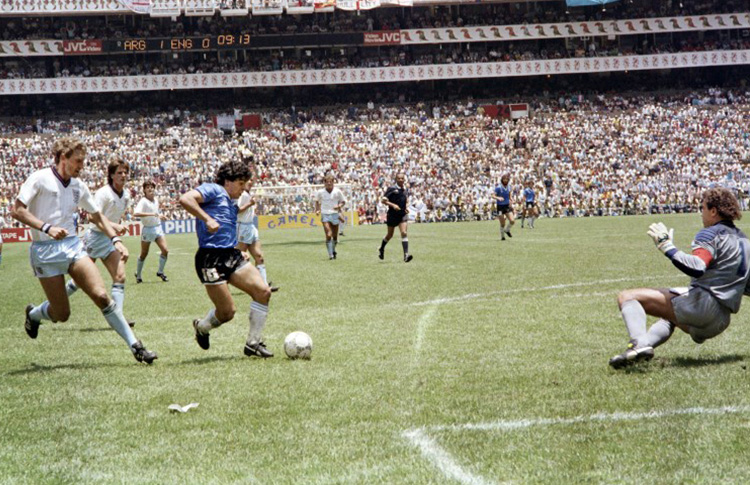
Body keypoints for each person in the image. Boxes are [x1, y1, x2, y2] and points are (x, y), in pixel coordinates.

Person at [11, 137, 157, 364]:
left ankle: (136, 346)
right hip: (44, 250)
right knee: (62, 314)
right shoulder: (39, 179)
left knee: (101, 296)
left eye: (83, 161)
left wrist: (115, 239)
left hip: (72, 246)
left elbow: (97, 215)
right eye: (78, 161)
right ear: (63, 158)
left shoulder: (79, 186)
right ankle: (33, 314)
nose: (82, 166)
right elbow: (17, 210)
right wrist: (46, 227)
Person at [609, 187, 750, 369]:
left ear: (713, 211)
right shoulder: (744, 240)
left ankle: (638, 344)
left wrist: (667, 246)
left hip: (703, 308)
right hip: (721, 321)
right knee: (669, 317)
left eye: (703, 208)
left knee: (627, 297)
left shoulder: (710, 233)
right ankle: (640, 350)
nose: (701, 214)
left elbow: (697, 267)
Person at [179, 159, 274, 358]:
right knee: (227, 313)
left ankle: (253, 343)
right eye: (240, 184)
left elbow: (227, 227)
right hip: (209, 259)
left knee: (263, 291)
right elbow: (185, 199)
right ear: (228, 181)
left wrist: (237, 249)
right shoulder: (213, 189)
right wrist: (207, 219)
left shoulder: (231, 202)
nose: (243, 188)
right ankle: (202, 327)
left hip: (231, 255)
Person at [66, 158, 135, 327]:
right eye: (119, 172)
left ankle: (117, 318)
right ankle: (46, 306)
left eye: (125, 172)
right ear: (111, 175)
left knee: (120, 276)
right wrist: (115, 226)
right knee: (79, 281)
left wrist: (114, 230)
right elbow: (91, 217)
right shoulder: (104, 193)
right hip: (95, 238)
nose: (123, 175)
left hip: (108, 238)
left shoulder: (126, 195)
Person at [236, 176, 279, 292]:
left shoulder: (247, 194)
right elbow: (236, 210)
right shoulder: (242, 194)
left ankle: (264, 285)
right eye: (248, 180)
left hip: (251, 226)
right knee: (240, 258)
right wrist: (250, 204)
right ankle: (226, 279)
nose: (250, 182)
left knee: (259, 256)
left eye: (251, 180)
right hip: (243, 227)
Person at [133, 180, 169, 283]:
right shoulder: (143, 201)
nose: (150, 189)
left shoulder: (156, 200)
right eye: (148, 187)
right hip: (147, 230)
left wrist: (160, 216)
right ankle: (138, 275)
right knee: (144, 254)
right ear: (144, 190)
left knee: (165, 250)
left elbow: (156, 213)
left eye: (152, 187)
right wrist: (152, 214)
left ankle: (160, 272)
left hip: (157, 228)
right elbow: (136, 213)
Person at [378, 172, 413, 263]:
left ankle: (406, 255)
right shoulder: (392, 189)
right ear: (396, 180)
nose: (401, 180)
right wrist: (393, 205)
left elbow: (404, 200)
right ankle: (381, 249)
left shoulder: (405, 190)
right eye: (399, 178)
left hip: (402, 215)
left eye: (402, 178)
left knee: (404, 232)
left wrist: (405, 208)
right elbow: (383, 200)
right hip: (392, 215)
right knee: (389, 235)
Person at [315, 174, 347, 260]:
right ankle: (330, 255)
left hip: (335, 214)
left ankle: (333, 250)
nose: (329, 183)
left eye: (331, 182)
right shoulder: (320, 192)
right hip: (325, 214)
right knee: (328, 234)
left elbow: (343, 201)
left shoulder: (337, 191)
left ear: (333, 182)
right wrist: (317, 210)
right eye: (327, 182)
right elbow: (317, 201)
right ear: (324, 183)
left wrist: (339, 206)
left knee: (335, 237)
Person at [493, 174, 515, 240]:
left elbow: (509, 194)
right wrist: (498, 198)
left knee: (512, 221)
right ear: (502, 180)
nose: (505, 180)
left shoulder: (509, 187)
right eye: (504, 179)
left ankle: (507, 230)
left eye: (507, 179)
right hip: (500, 207)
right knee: (502, 223)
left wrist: (511, 198)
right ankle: (502, 236)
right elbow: (493, 195)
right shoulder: (498, 187)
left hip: (507, 206)